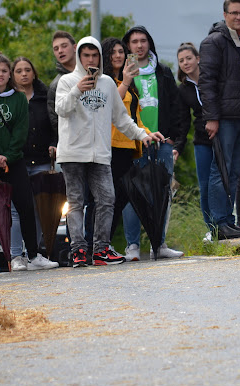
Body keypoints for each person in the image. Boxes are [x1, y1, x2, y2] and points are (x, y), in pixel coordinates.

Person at [55, 36, 163, 267]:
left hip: (100, 153)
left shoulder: (107, 84)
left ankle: (101, 250)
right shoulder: (66, 81)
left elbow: (121, 118)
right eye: (86, 55)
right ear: (79, 57)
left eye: (94, 55)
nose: (91, 60)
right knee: (76, 202)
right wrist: (76, 90)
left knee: (107, 199)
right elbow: (60, 110)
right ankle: (78, 251)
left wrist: (143, 135)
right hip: (73, 153)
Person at [0, 52, 58, 271]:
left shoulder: (19, 97)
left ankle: (33, 255)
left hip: (14, 160)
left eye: (4, 71)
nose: (0, 74)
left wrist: (7, 156)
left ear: (9, 74)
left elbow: (21, 130)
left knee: (26, 206)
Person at [199, 0, 240, 240]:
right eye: (233, 12)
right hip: (224, 117)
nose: (238, 16)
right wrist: (212, 118)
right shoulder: (213, 42)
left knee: (234, 172)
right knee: (220, 170)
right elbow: (207, 83)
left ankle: (229, 221)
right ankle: (219, 224)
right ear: (224, 14)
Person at [122, 26, 184, 258]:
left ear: (149, 43)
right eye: (134, 41)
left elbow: (176, 107)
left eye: (143, 40)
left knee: (162, 193)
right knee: (132, 193)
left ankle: (159, 244)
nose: (139, 45)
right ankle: (133, 246)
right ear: (127, 46)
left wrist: (174, 139)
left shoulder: (163, 71)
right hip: (134, 143)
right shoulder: (123, 74)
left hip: (162, 143)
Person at [8, 56, 60, 270]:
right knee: (16, 210)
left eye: (27, 69)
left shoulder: (45, 96)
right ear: (13, 75)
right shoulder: (8, 98)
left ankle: (35, 254)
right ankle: (16, 256)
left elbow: (56, 124)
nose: (23, 74)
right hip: (16, 161)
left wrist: (54, 143)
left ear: (34, 72)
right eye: (19, 70)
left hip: (40, 161)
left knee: (39, 209)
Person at [100, 37, 149, 250]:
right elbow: (110, 107)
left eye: (121, 51)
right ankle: (101, 244)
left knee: (121, 198)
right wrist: (126, 82)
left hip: (128, 147)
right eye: (113, 52)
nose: (118, 56)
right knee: (110, 199)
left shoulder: (127, 82)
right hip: (110, 145)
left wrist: (148, 133)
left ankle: (105, 243)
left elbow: (132, 117)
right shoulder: (104, 82)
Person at [175, 42, 214, 234]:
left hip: (222, 136)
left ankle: (230, 223)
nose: (185, 63)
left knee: (225, 183)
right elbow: (183, 122)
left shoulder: (211, 78)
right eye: (181, 60)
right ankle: (211, 229)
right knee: (205, 186)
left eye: (189, 58)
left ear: (198, 59)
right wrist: (178, 147)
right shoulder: (183, 89)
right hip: (201, 140)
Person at [48, 31, 77, 144]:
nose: (60, 51)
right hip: (72, 146)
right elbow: (55, 122)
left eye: (64, 46)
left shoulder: (91, 75)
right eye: (56, 49)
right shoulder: (56, 84)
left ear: (75, 47)